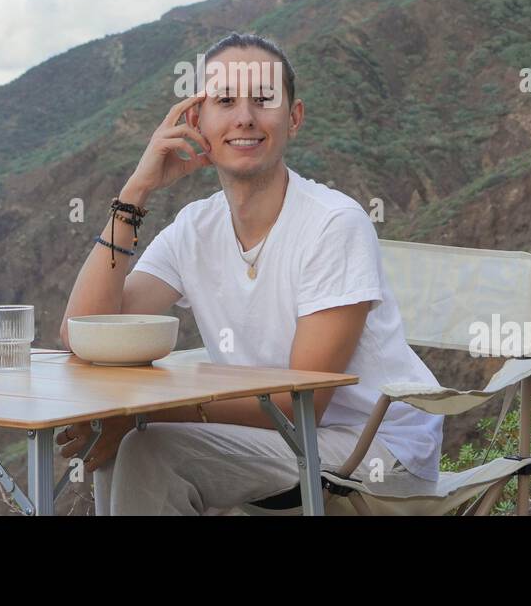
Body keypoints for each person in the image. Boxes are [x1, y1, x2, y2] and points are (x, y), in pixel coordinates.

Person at [57, 31, 443, 515]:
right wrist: (135, 193)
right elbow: (83, 334)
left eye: (264, 100)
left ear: (293, 118)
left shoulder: (333, 223)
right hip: (270, 443)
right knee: (131, 445)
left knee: (147, 447)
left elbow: (299, 404)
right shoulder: (195, 227)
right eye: (225, 101)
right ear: (196, 121)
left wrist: (139, 415)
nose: (245, 117)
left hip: (374, 451)